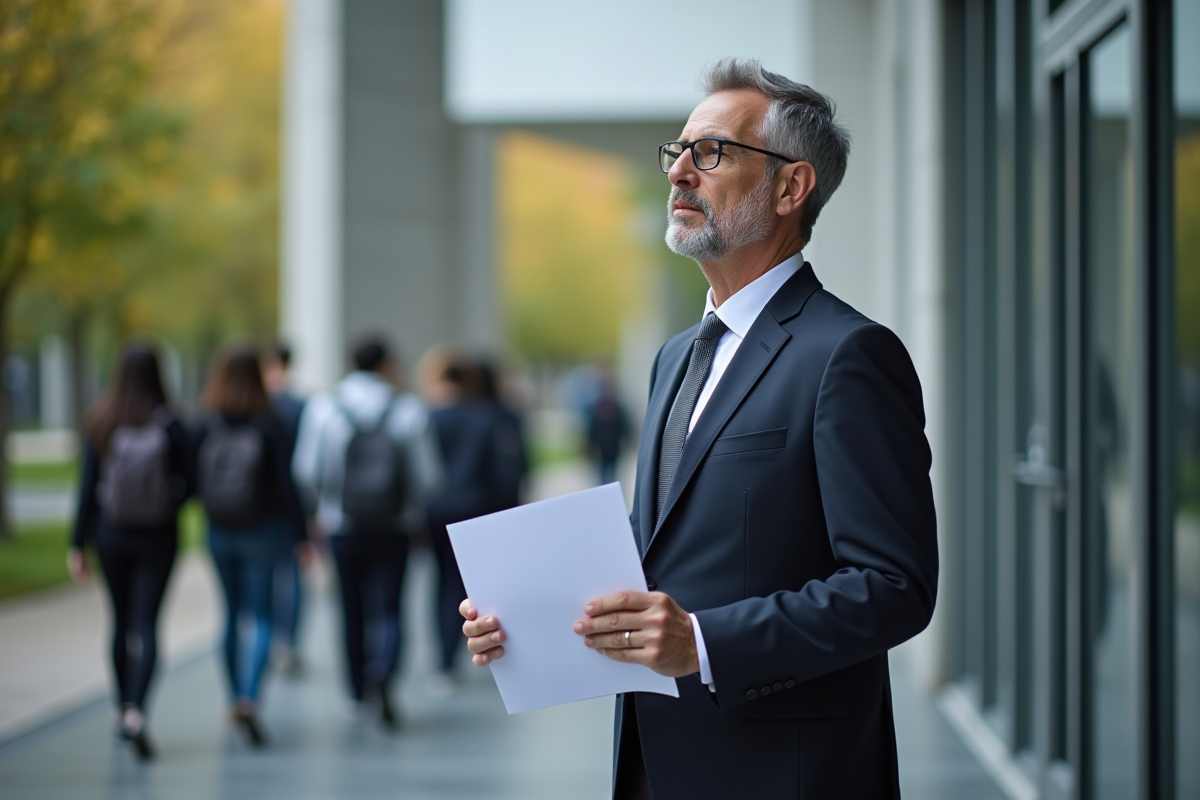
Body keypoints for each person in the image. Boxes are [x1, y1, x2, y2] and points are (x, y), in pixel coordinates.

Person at [461, 58, 939, 799]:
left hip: (785, 772)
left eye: (711, 151)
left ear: (791, 186)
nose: (680, 171)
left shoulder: (849, 355)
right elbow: (662, 546)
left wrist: (706, 642)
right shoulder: (675, 356)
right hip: (654, 759)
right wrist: (524, 618)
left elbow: (893, 586)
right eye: (678, 151)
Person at [292, 334, 441, 728]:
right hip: (396, 525)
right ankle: (385, 672)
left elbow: (306, 470)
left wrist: (325, 503)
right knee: (391, 607)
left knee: (350, 608)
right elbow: (428, 476)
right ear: (386, 364)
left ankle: (355, 693)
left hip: (341, 523)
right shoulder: (407, 409)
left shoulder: (325, 408)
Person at [68, 342, 192, 761]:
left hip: (112, 534)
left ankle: (121, 708)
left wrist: (76, 544)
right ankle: (139, 711)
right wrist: (166, 500)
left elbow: (86, 487)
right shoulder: (173, 425)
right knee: (148, 624)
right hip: (158, 536)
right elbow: (190, 484)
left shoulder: (103, 420)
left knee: (119, 623)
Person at [192, 344, 309, 748]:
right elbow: (285, 484)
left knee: (229, 616)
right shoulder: (270, 422)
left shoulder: (206, 422)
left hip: (219, 529)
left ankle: (231, 698)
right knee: (261, 616)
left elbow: (192, 482)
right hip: (263, 528)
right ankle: (249, 697)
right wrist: (302, 535)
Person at [419, 347, 511, 693]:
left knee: (440, 582)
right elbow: (500, 475)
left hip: (435, 511)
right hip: (474, 510)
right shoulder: (484, 419)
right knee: (469, 586)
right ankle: (474, 649)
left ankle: (442, 661)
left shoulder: (426, 418)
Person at [262, 341, 308, 675]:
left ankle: (264, 640)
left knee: (261, 579)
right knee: (292, 576)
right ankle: (287, 643)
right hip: (292, 505)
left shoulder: (248, 404)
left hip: (253, 510)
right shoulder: (298, 406)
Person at [584, 367, 630, 486]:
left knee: (608, 475)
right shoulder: (597, 407)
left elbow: (624, 426)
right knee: (605, 475)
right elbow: (591, 428)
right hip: (604, 447)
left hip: (610, 447)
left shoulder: (613, 407)